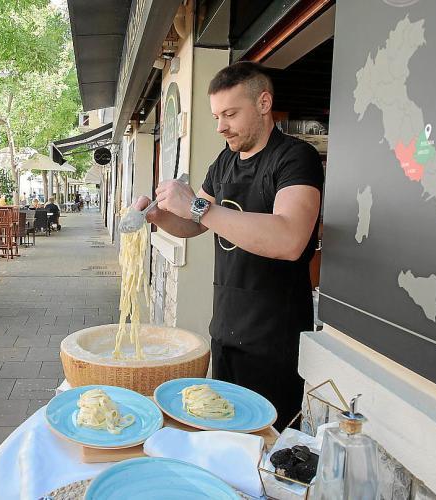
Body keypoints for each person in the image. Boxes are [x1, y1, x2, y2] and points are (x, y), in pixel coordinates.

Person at [132, 62, 323, 429]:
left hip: (276, 338)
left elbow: (289, 238)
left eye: (231, 114)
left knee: (265, 440)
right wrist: (158, 217)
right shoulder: (225, 162)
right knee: (222, 430)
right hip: (226, 328)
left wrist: (196, 206)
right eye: (217, 116)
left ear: (264, 103)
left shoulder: (296, 157)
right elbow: (194, 223)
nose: (220, 126)